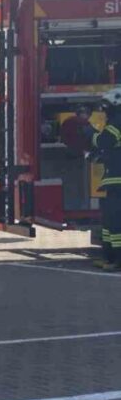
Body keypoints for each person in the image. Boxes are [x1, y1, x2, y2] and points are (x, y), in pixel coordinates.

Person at [88, 88, 121, 271]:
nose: (105, 111)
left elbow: (104, 141)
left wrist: (90, 133)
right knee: (109, 221)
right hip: (114, 180)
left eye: (106, 107)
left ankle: (117, 260)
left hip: (118, 180)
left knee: (116, 222)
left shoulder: (118, 121)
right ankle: (109, 257)